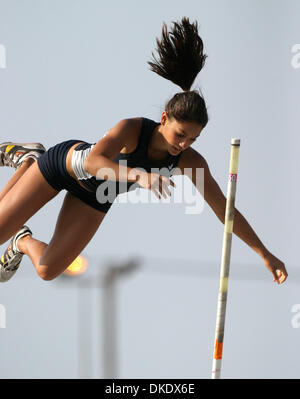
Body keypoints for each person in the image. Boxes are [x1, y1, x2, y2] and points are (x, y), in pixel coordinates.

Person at [0, 17, 287, 284]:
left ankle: (21, 241)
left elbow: (224, 210)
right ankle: (28, 160)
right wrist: (140, 176)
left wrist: (264, 253)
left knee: (47, 271)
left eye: (193, 139)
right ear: (164, 119)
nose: (183, 144)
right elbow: (93, 163)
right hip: (62, 166)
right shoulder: (132, 129)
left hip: (96, 196)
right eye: (181, 134)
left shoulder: (188, 161)